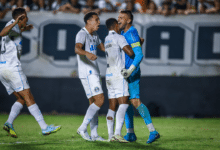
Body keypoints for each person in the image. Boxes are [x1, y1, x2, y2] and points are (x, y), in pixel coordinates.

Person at [0, 7, 61, 138]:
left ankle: (9, 123)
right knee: (29, 97)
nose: (27, 19)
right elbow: (2, 33)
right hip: (12, 69)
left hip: (2, 69)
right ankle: (45, 128)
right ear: (20, 18)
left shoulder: (14, 28)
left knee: (21, 98)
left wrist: (23, 28)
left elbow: (11, 33)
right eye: (25, 17)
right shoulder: (12, 25)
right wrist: (16, 23)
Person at [117, 10, 160, 144]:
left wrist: (130, 70)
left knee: (135, 101)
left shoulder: (131, 32)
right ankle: (130, 134)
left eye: (122, 18)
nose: (119, 20)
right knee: (126, 102)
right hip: (125, 72)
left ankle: (153, 131)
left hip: (131, 73)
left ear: (129, 20)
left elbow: (139, 55)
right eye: (118, 17)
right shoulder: (124, 33)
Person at [75, 12, 106, 142]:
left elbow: (104, 48)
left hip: (94, 71)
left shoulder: (95, 35)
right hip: (88, 72)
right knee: (100, 100)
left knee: (93, 103)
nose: (99, 22)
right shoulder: (82, 33)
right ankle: (82, 128)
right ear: (88, 21)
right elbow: (77, 49)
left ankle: (94, 134)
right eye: (96, 20)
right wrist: (87, 53)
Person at [104, 18, 134, 143]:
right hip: (118, 73)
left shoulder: (106, 39)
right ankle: (117, 134)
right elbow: (130, 52)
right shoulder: (119, 38)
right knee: (124, 103)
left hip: (108, 73)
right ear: (116, 25)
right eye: (119, 24)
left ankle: (111, 136)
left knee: (112, 105)